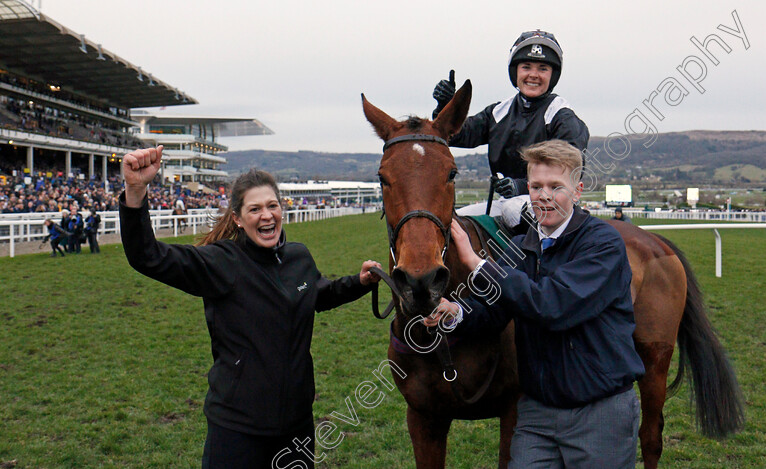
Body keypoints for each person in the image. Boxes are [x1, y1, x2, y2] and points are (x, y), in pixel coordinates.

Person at [119, 146, 382, 469]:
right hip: (238, 429)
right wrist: (135, 191)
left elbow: (318, 294)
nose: (266, 215)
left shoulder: (298, 257)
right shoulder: (221, 263)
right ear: (238, 219)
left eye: (272, 206)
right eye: (255, 209)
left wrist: (360, 282)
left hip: (296, 425)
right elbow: (148, 256)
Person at [426, 140, 644, 468]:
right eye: (537, 186)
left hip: (598, 411)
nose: (544, 196)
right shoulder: (520, 246)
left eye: (556, 187)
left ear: (578, 190)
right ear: (527, 189)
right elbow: (496, 308)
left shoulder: (602, 244)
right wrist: (456, 313)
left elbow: (552, 306)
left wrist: (479, 264)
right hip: (536, 414)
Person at [432, 30, 589, 219]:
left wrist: (521, 186)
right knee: (454, 220)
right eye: (526, 67)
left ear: (552, 75)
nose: (533, 75)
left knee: (513, 211)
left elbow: (570, 170)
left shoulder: (562, 117)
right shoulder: (499, 112)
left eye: (542, 68)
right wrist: (446, 107)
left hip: (551, 203)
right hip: (507, 202)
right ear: (515, 71)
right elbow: (456, 135)